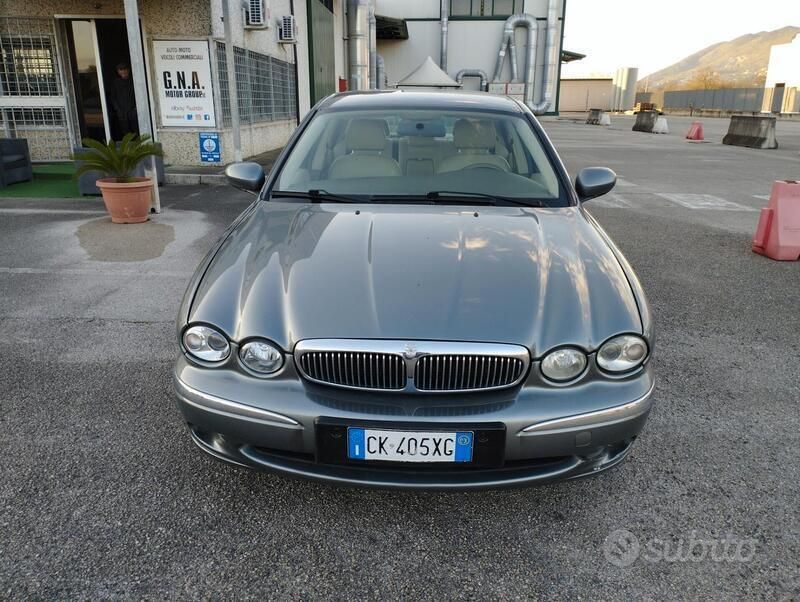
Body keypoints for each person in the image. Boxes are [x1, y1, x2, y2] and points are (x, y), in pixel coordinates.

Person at [109, 62, 139, 138]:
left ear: (128, 70)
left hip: (133, 112)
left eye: (125, 69)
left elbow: (139, 94)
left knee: (137, 132)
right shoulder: (115, 83)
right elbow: (113, 98)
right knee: (126, 134)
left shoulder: (134, 81)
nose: (123, 71)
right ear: (118, 72)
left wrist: (136, 108)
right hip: (122, 113)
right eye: (121, 70)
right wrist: (118, 110)